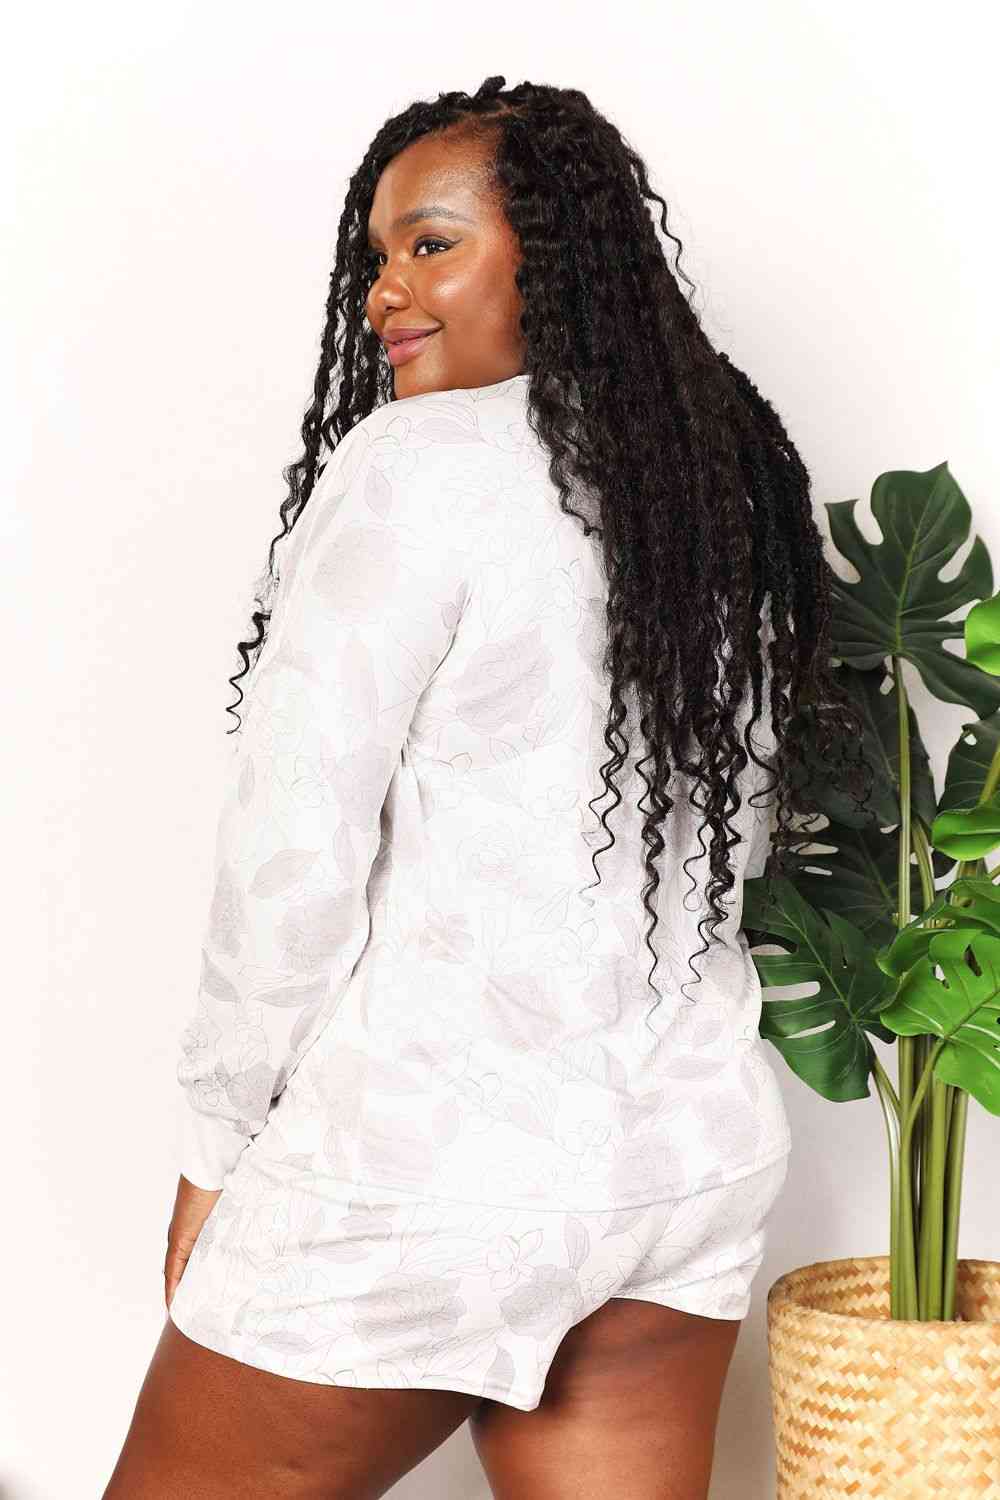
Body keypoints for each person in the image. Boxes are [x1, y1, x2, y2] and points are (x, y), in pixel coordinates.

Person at [102, 76, 868, 1500]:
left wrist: (217, 1147)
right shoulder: (712, 495)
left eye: (432, 243)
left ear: (553, 260)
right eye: (378, 255)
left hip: (421, 1175)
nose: (386, 291)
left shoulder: (419, 466)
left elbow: (293, 856)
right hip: (676, 1164)